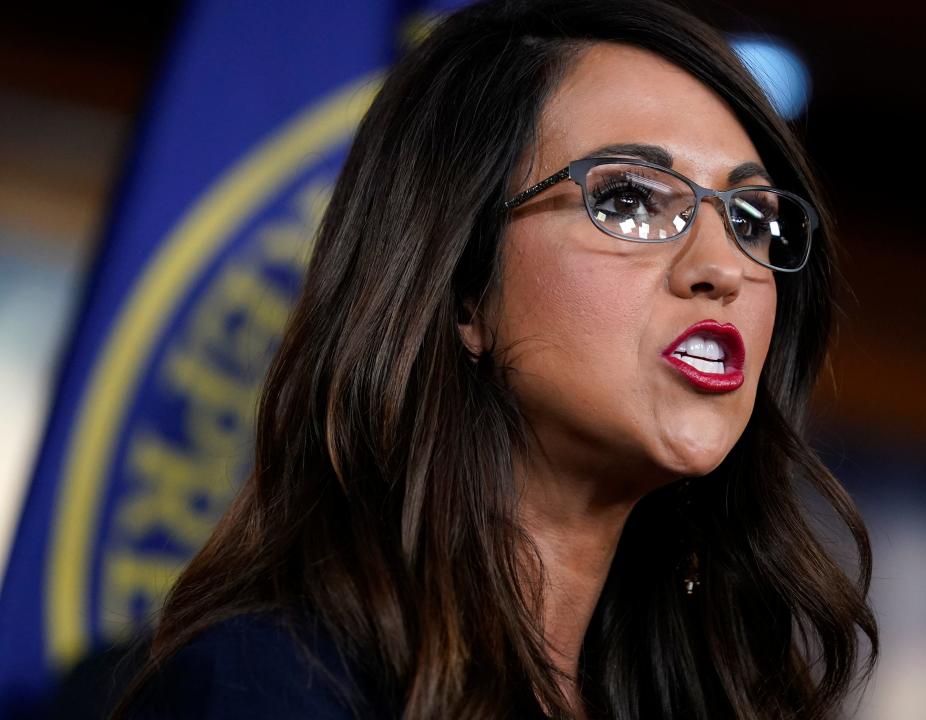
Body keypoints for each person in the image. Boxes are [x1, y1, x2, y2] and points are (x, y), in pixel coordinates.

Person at [112, 0, 879, 718]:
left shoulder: (717, 697)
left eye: (753, 218)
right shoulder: (267, 685)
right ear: (461, 290)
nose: (723, 266)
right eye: (631, 201)